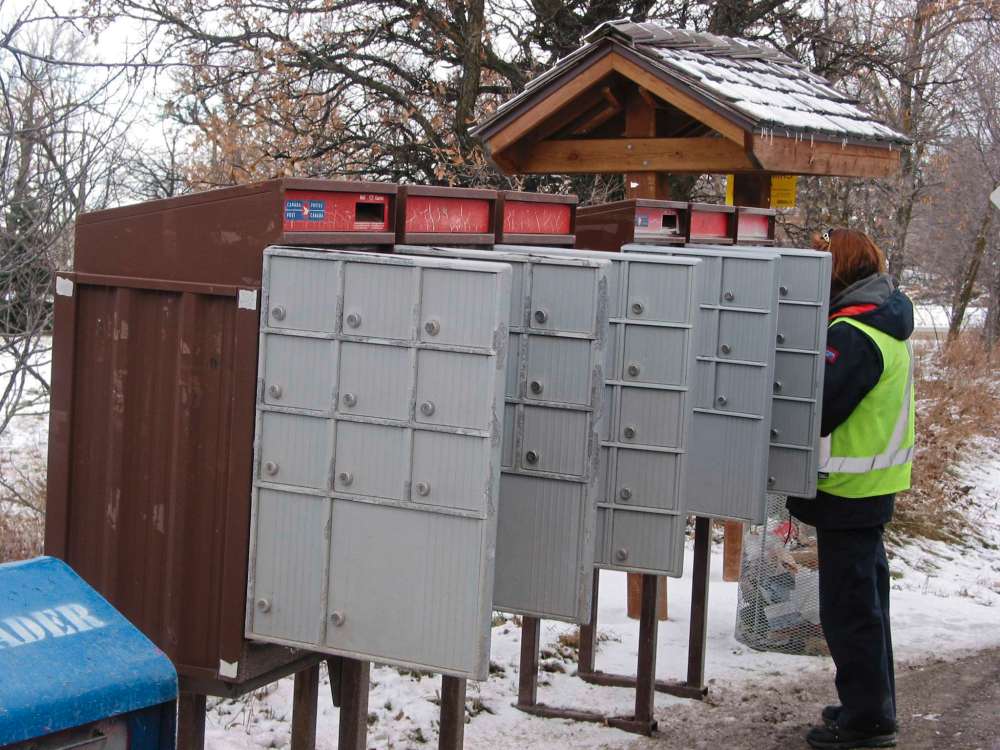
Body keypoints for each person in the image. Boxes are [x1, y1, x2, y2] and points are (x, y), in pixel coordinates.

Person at [787, 229, 915, 749]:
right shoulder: (882, 323)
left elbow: (818, 409)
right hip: (867, 487)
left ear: (837, 270)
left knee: (850, 610)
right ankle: (870, 704)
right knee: (867, 603)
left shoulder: (853, 335)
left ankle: (867, 721)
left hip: (848, 490)